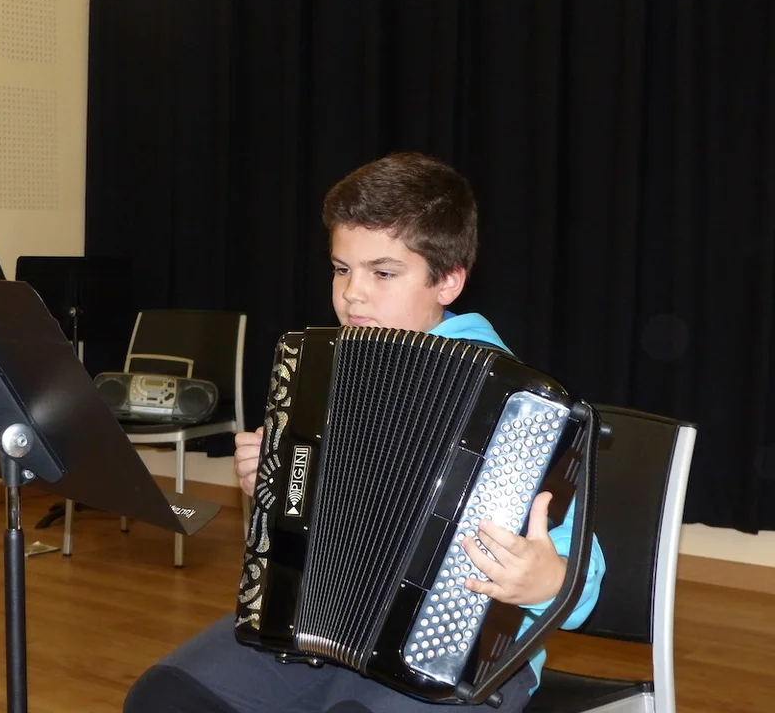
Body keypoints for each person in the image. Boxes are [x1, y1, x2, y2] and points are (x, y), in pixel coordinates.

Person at [123, 152, 606, 713]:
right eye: (341, 269)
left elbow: (585, 573)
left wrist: (546, 580)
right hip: (314, 624)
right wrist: (276, 487)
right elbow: (314, 526)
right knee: (163, 697)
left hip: (457, 653)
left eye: (383, 273)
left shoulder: (510, 402)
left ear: (448, 281)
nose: (353, 293)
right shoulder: (323, 368)